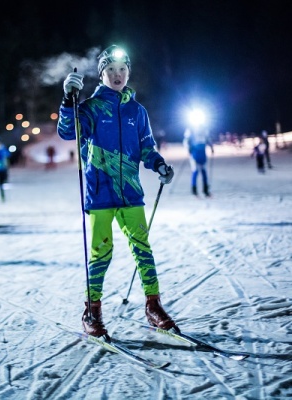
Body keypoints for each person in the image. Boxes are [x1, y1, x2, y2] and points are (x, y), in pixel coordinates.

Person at [58, 45, 178, 339]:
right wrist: (67, 100)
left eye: (122, 69)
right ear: (101, 74)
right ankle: (92, 310)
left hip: (131, 194)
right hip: (100, 195)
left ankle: (153, 305)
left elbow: (147, 148)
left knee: (142, 248)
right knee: (101, 252)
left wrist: (159, 164)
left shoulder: (137, 111)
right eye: (110, 70)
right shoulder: (89, 108)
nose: (117, 75)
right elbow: (66, 131)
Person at [183, 127, 214, 197]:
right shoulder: (190, 130)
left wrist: (211, 146)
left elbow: (208, 139)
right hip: (195, 154)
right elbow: (185, 141)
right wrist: (188, 148)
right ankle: (194, 190)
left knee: (204, 171)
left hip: (202, 153)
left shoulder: (204, 129)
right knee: (195, 171)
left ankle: (205, 190)